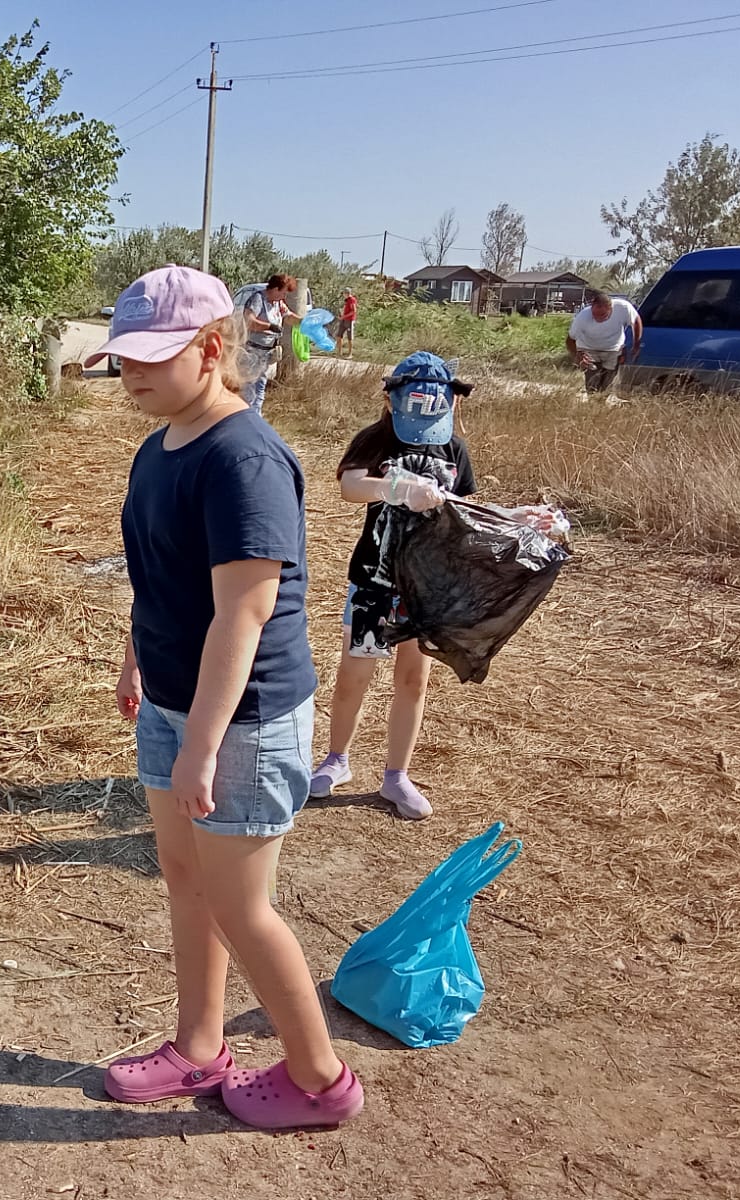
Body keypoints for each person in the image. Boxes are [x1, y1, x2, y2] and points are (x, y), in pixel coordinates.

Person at [85, 266, 363, 1130]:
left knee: (242, 908)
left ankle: (321, 1081)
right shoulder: (160, 441)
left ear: (213, 350)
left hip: (238, 717)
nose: (131, 375)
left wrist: (204, 742)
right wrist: (137, 657)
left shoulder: (244, 459)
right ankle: (199, 1048)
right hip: (176, 700)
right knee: (184, 879)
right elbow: (157, 577)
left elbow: (244, 614)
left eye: (151, 359)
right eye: (122, 358)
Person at [309, 352, 478, 821]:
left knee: (413, 680)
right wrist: (397, 488)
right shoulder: (376, 438)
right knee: (355, 674)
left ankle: (396, 776)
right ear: (390, 398)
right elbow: (350, 485)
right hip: (374, 582)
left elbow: (465, 511)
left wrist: (521, 521)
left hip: (428, 586)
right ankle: (336, 759)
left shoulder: (454, 450)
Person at [233, 273, 298, 415]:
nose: (284, 297)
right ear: (275, 289)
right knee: (248, 389)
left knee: (260, 387)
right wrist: (269, 326)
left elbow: (289, 317)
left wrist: (306, 323)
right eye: (283, 292)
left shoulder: (278, 303)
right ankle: (246, 418)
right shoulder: (258, 299)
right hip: (252, 352)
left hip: (266, 354)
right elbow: (249, 321)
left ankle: (256, 417)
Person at [566, 288, 641, 397]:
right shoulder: (582, 317)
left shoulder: (623, 308)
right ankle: (592, 402)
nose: (598, 318)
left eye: (602, 315)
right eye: (595, 314)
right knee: (592, 382)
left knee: (607, 383)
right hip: (590, 349)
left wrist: (636, 344)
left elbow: (636, 321)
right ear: (592, 308)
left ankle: (602, 402)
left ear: (611, 309)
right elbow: (570, 340)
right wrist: (577, 356)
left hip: (613, 350)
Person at [338, 288, 359, 357]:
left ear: (347, 293)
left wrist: (345, 316)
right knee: (339, 335)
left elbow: (353, 311)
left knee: (350, 337)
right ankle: (339, 353)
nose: (343, 295)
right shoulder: (346, 300)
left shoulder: (352, 300)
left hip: (349, 320)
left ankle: (350, 354)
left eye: (344, 293)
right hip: (343, 319)